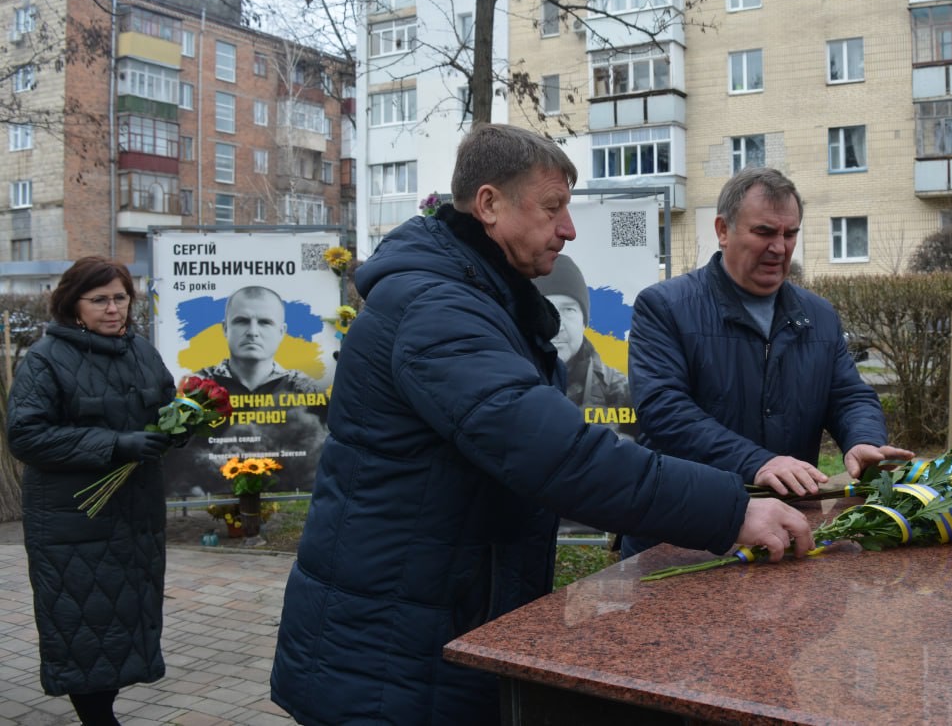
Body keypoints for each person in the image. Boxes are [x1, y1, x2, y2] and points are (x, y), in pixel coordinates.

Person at [269, 124, 814, 725]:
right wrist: (731, 510)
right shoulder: (438, 311)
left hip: (429, 617)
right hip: (390, 651)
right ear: (489, 204)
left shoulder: (476, 300)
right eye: (553, 208)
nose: (569, 228)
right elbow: (561, 457)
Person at [621, 167, 914, 558]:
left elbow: (848, 395)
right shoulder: (665, 307)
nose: (779, 247)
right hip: (682, 532)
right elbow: (664, 411)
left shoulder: (819, 315)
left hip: (783, 531)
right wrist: (757, 462)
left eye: (789, 234)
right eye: (764, 232)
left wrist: (862, 440)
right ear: (723, 230)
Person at [6, 257, 177, 725]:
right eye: (99, 300)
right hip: (73, 521)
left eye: (120, 297)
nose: (113, 309)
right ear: (72, 305)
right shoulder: (46, 359)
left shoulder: (141, 351)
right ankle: (98, 718)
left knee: (124, 622)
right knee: (84, 624)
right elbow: (26, 436)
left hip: (134, 516)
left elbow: (164, 404)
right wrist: (116, 445)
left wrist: (181, 426)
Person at [533, 253, 634, 436]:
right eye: (545, 309)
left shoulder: (622, 391)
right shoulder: (508, 383)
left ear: (584, 322)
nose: (558, 326)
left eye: (568, 309)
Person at [194, 285, 322, 396]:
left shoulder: (306, 390)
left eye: (265, 322)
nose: (253, 332)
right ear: (225, 329)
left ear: (281, 332)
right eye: (242, 321)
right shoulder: (196, 386)